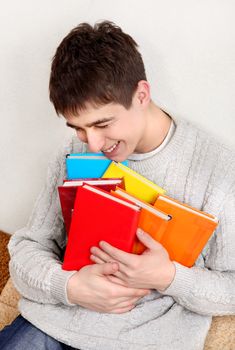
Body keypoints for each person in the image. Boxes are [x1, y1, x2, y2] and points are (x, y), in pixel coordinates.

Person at [1, 20, 235, 350]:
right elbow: (27, 250)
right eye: (79, 128)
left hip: (144, 341)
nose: (93, 145)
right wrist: (69, 286)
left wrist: (168, 276)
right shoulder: (74, 150)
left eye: (102, 124)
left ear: (141, 94)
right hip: (53, 326)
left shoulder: (218, 170)